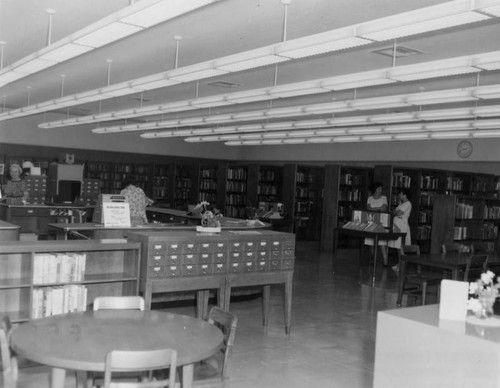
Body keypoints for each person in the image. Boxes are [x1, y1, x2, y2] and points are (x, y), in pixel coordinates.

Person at [364, 182, 389, 265]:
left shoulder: (384, 198)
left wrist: (374, 209)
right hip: (371, 221)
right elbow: (368, 208)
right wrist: (378, 209)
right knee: (371, 242)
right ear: (375, 189)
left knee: (382, 242)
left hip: (381, 222)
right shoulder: (370, 198)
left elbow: (384, 208)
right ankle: (373, 259)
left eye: (381, 189)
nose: (380, 190)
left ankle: (385, 261)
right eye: (379, 189)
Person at [390, 188, 412, 271]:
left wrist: (395, 212)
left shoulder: (408, 203)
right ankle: (399, 263)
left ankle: (402, 264)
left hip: (402, 226)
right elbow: (393, 212)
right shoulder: (400, 204)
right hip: (397, 225)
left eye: (400, 194)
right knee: (397, 246)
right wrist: (395, 212)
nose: (399, 195)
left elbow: (398, 213)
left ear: (404, 194)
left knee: (401, 246)